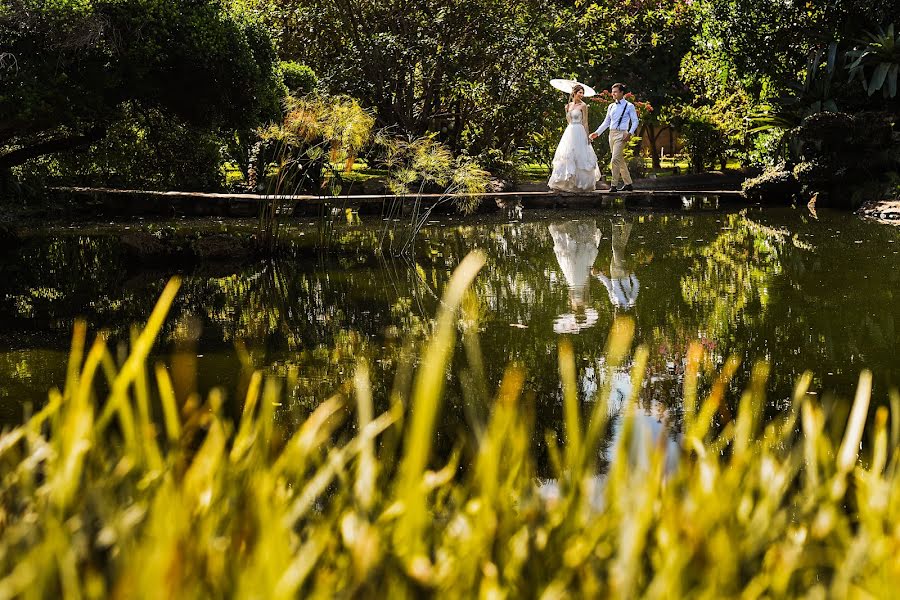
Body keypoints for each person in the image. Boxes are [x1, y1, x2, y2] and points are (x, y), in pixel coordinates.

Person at [548, 84, 602, 193]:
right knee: (568, 155)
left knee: (581, 156)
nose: (581, 95)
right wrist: (568, 110)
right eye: (579, 92)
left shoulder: (584, 106)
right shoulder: (567, 106)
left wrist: (587, 136)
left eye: (582, 93)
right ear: (574, 93)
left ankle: (581, 184)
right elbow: (568, 121)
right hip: (570, 131)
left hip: (580, 131)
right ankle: (566, 183)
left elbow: (585, 122)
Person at [589, 83, 639, 192]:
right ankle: (628, 183)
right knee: (619, 160)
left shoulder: (629, 106)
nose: (613, 94)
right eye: (612, 92)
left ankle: (614, 185)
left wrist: (629, 133)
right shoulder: (611, 106)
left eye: (615, 92)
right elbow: (606, 122)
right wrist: (597, 133)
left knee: (614, 159)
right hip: (611, 134)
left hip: (622, 134)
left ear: (622, 93)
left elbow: (635, 121)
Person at [592, 216, 639, 309]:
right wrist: (632, 274)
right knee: (616, 249)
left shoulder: (613, 301)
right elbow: (636, 286)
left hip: (613, 274)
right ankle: (616, 223)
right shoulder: (630, 301)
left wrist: (599, 275)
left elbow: (608, 286)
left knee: (618, 248)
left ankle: (626, 223)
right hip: (623, 274)